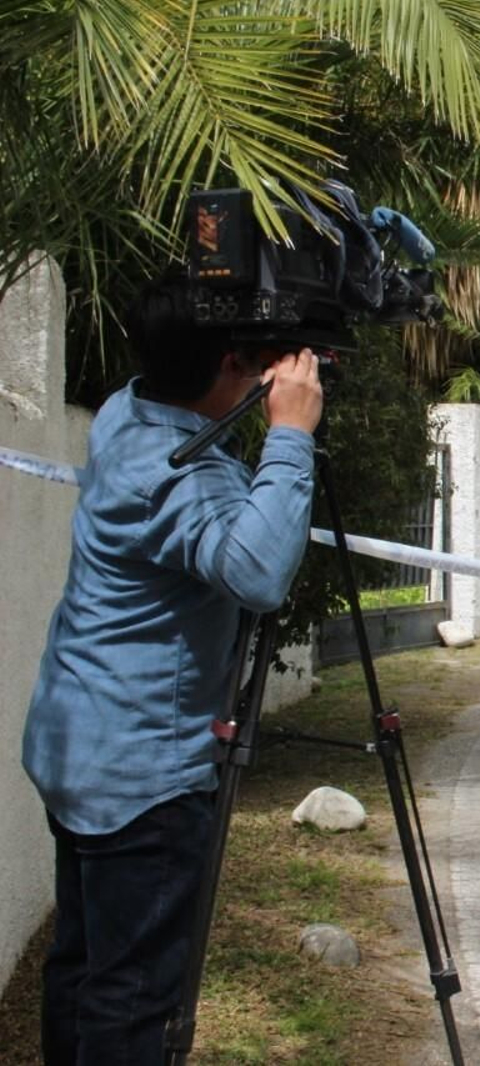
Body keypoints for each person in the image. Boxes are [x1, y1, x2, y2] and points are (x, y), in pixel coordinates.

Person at [20, 279, 323, 1065]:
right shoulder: (184, 474)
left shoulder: (127, 412)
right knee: (133, 1004)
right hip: (141, 776)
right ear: (233, 363)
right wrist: (291, 435)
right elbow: (257, 574)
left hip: (77, 740)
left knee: (86, 969)